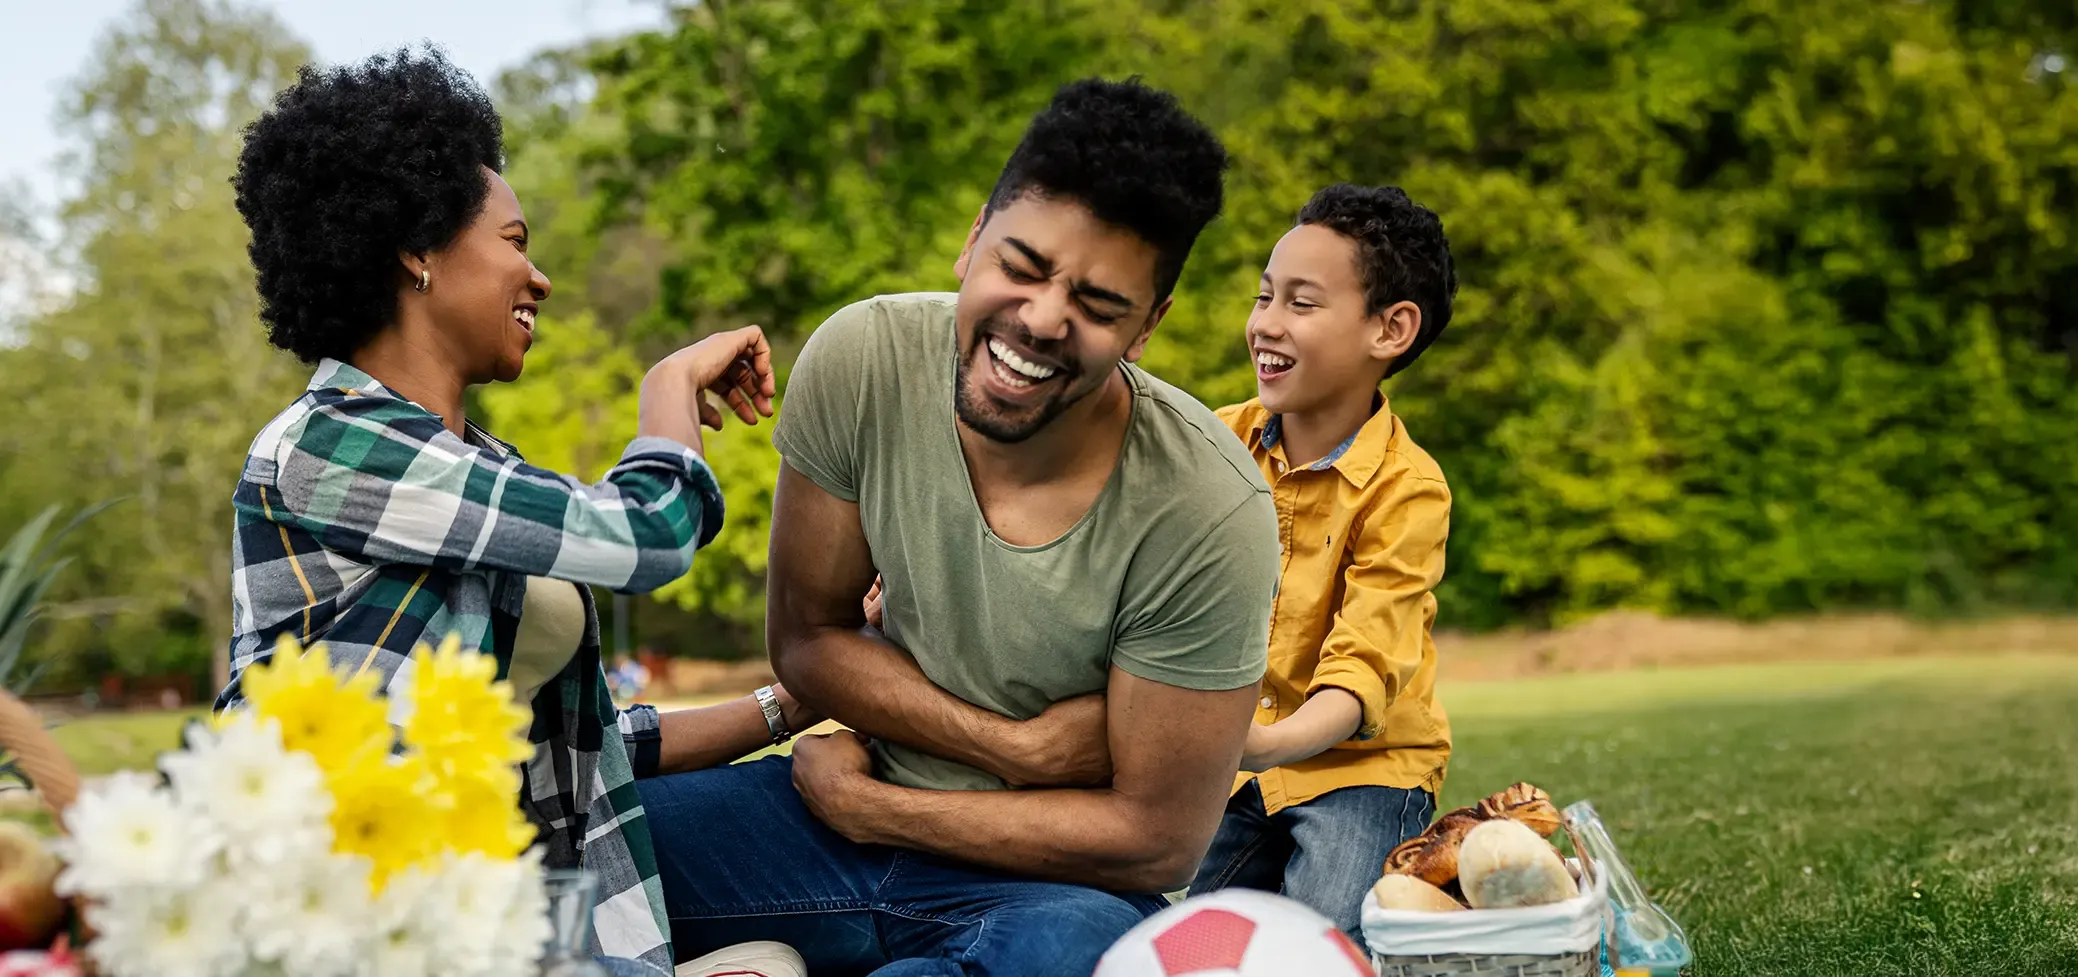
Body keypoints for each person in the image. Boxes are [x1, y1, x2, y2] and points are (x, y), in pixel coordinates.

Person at [635, 78, 1277, 976]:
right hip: (812, 821)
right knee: (562, 848)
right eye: (1021, 266)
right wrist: (1012, 745)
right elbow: (808, 640)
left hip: (1049, 884)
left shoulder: (1211, 508)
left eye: (1097, 306)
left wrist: (879, 812)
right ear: (972, 240)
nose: (1044, 318)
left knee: (1078, 955)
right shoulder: (862, 359)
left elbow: (1154, 841)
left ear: (1147, 327)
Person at [222, 48, 819, 977]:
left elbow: (592, 742)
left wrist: (793, 703)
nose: (537, 277)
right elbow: (651, 530)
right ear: (416, 249)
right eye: (514, 241)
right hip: (370, 935)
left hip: (524, 930)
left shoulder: (482, 474)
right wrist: (666, 386)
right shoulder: (325, 446)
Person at [1188, 184, 1460, 945]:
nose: (1266, 323)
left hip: (1364, 770)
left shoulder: (1409, 487)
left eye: (1302, 304)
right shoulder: (1211, 443)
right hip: (1240, 769)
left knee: (1323, 939)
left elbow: (1364, 662)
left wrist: (1262, 740)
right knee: (1185, 935)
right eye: (1265, 295)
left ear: (1391, 328)